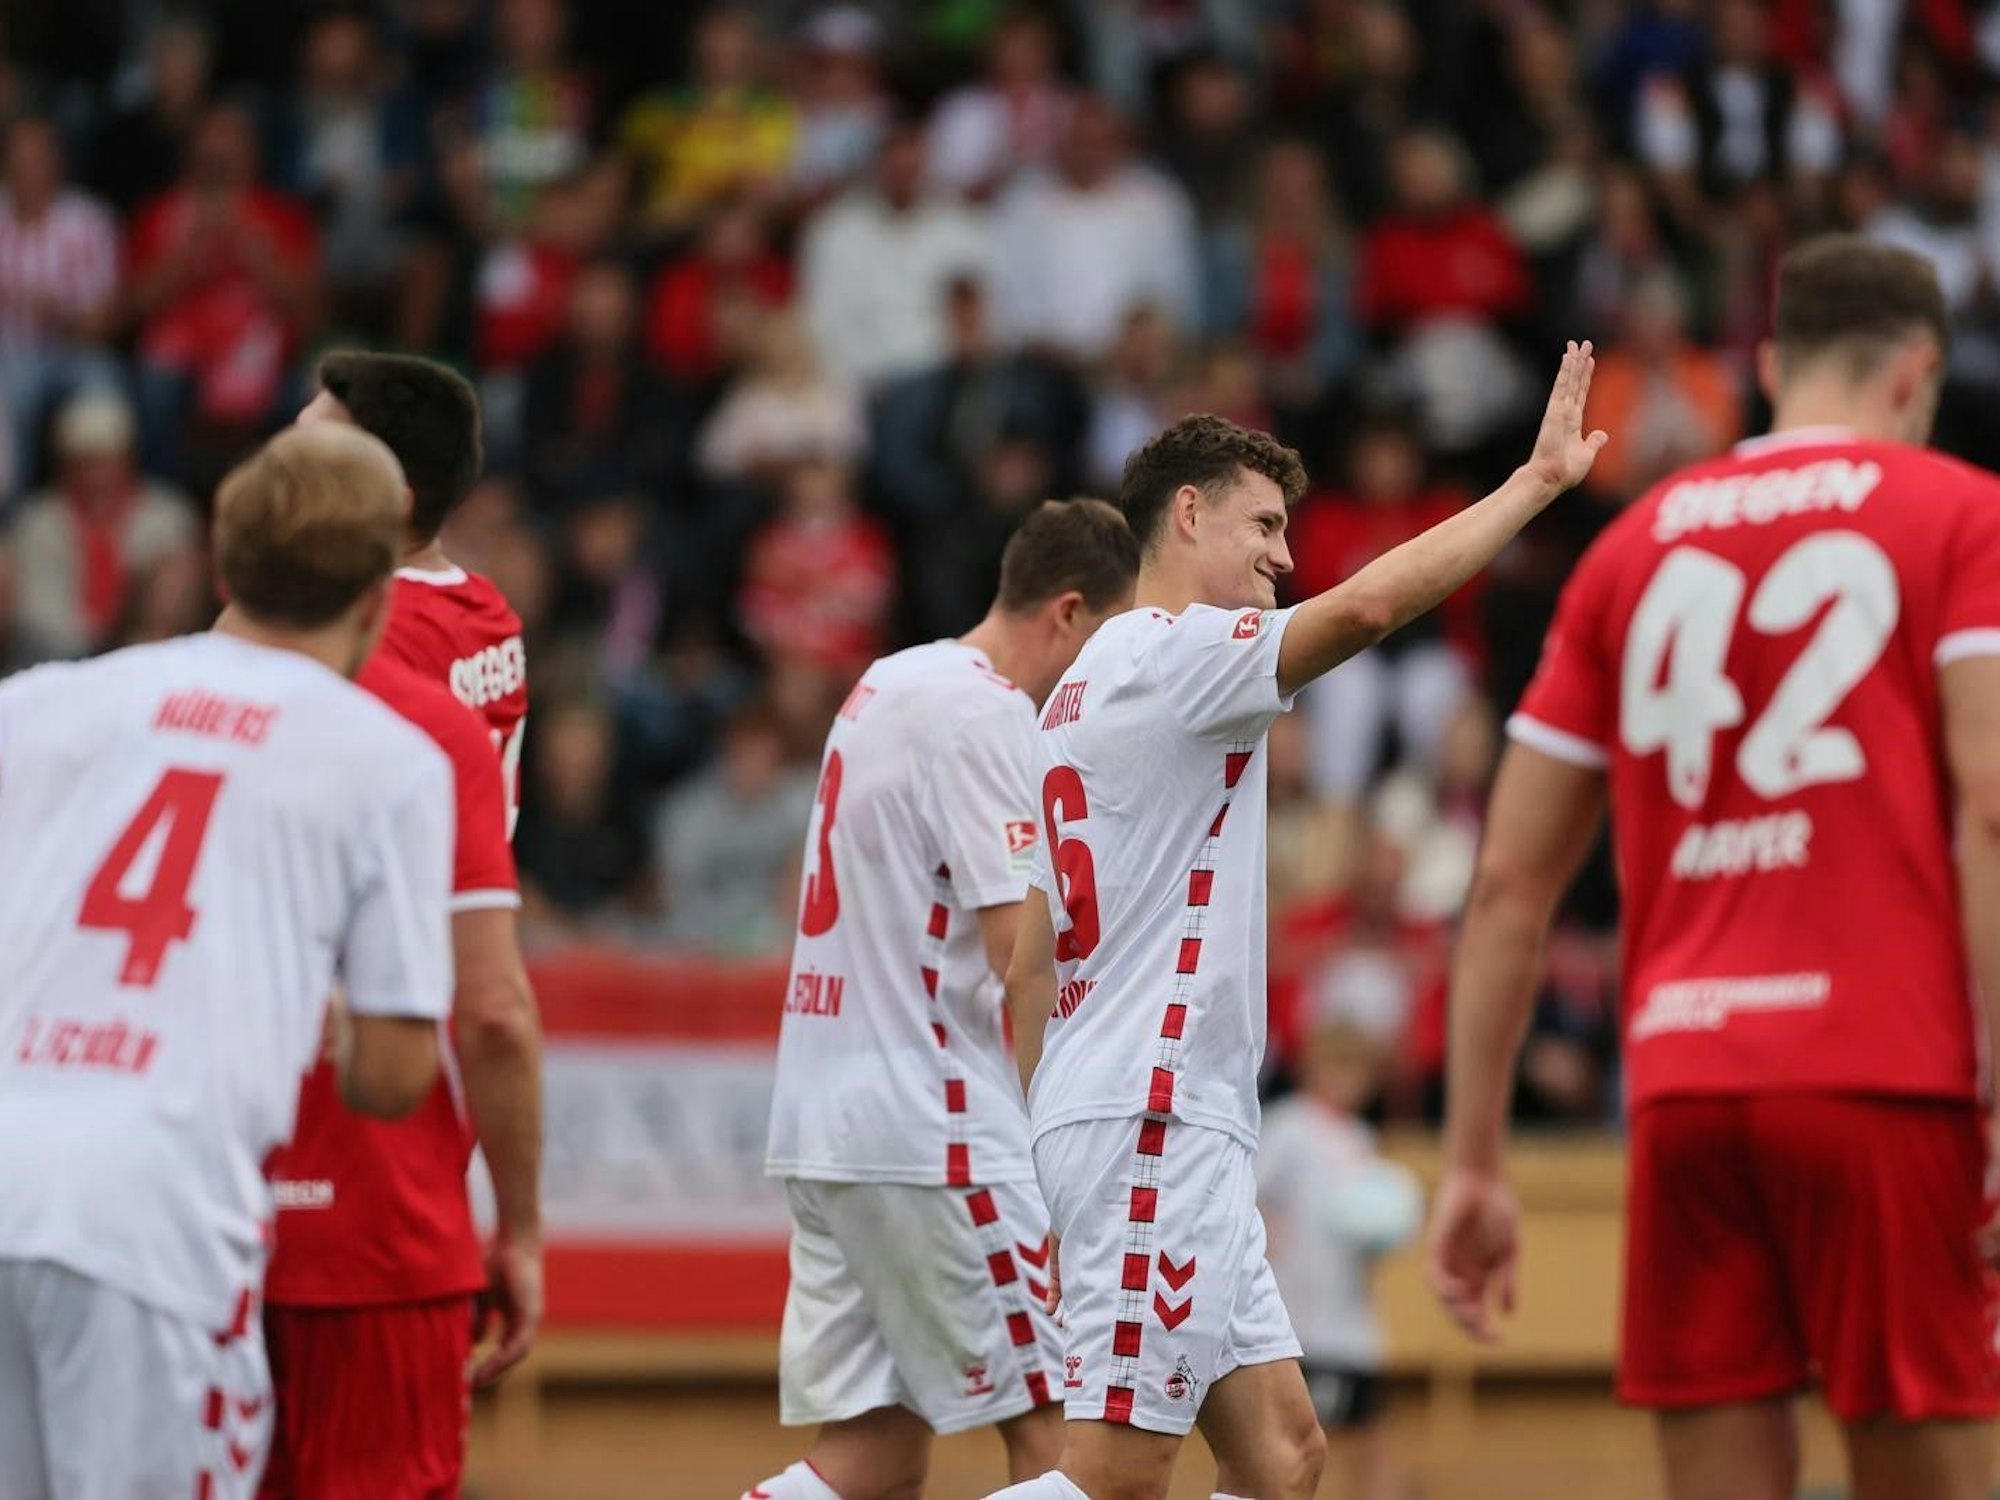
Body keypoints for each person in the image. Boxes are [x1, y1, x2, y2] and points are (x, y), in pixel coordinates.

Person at [1430, 235, 2000, 1500]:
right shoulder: (1961, 514)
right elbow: (1992, 811)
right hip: (1884, 1074)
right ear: (1915, 373)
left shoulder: (1628, 549)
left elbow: (1507, 885)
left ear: (1764, 363)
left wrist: (1472, 1161)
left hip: (1683, 1084)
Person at [993, 345, 1608, 1500]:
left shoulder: (1077, 686)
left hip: (1144, 1114)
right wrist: (1529, 487)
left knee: (1282, 1455)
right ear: (1185, 515)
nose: (1285, 557)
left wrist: (1040, 1128)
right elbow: (1372, 605)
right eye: (1264, 526)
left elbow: (1030, 958)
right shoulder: (1176, 655)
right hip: (1151, 1116)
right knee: (1114, 1477)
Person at [0, 423, 453, 1499]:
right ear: (376, 599)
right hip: (153, 1214)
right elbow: (391, 1075)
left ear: (218, 564)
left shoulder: (40, 701)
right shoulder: (385, 758)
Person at [747, 500, 1142, 1500]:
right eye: (1118, 640)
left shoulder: (890, 680)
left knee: (869, 1459)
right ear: (1067, 615)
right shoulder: (987, 713)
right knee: (1067, 1434)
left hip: (829, 1119)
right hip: (936, 1125)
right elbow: (1020, 953)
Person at [263, 351, 542, 1497]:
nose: (275, 455)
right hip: (412, 1106)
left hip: (326, 1084)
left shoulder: (352, 649)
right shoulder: (485, 615)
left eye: (305, 439)